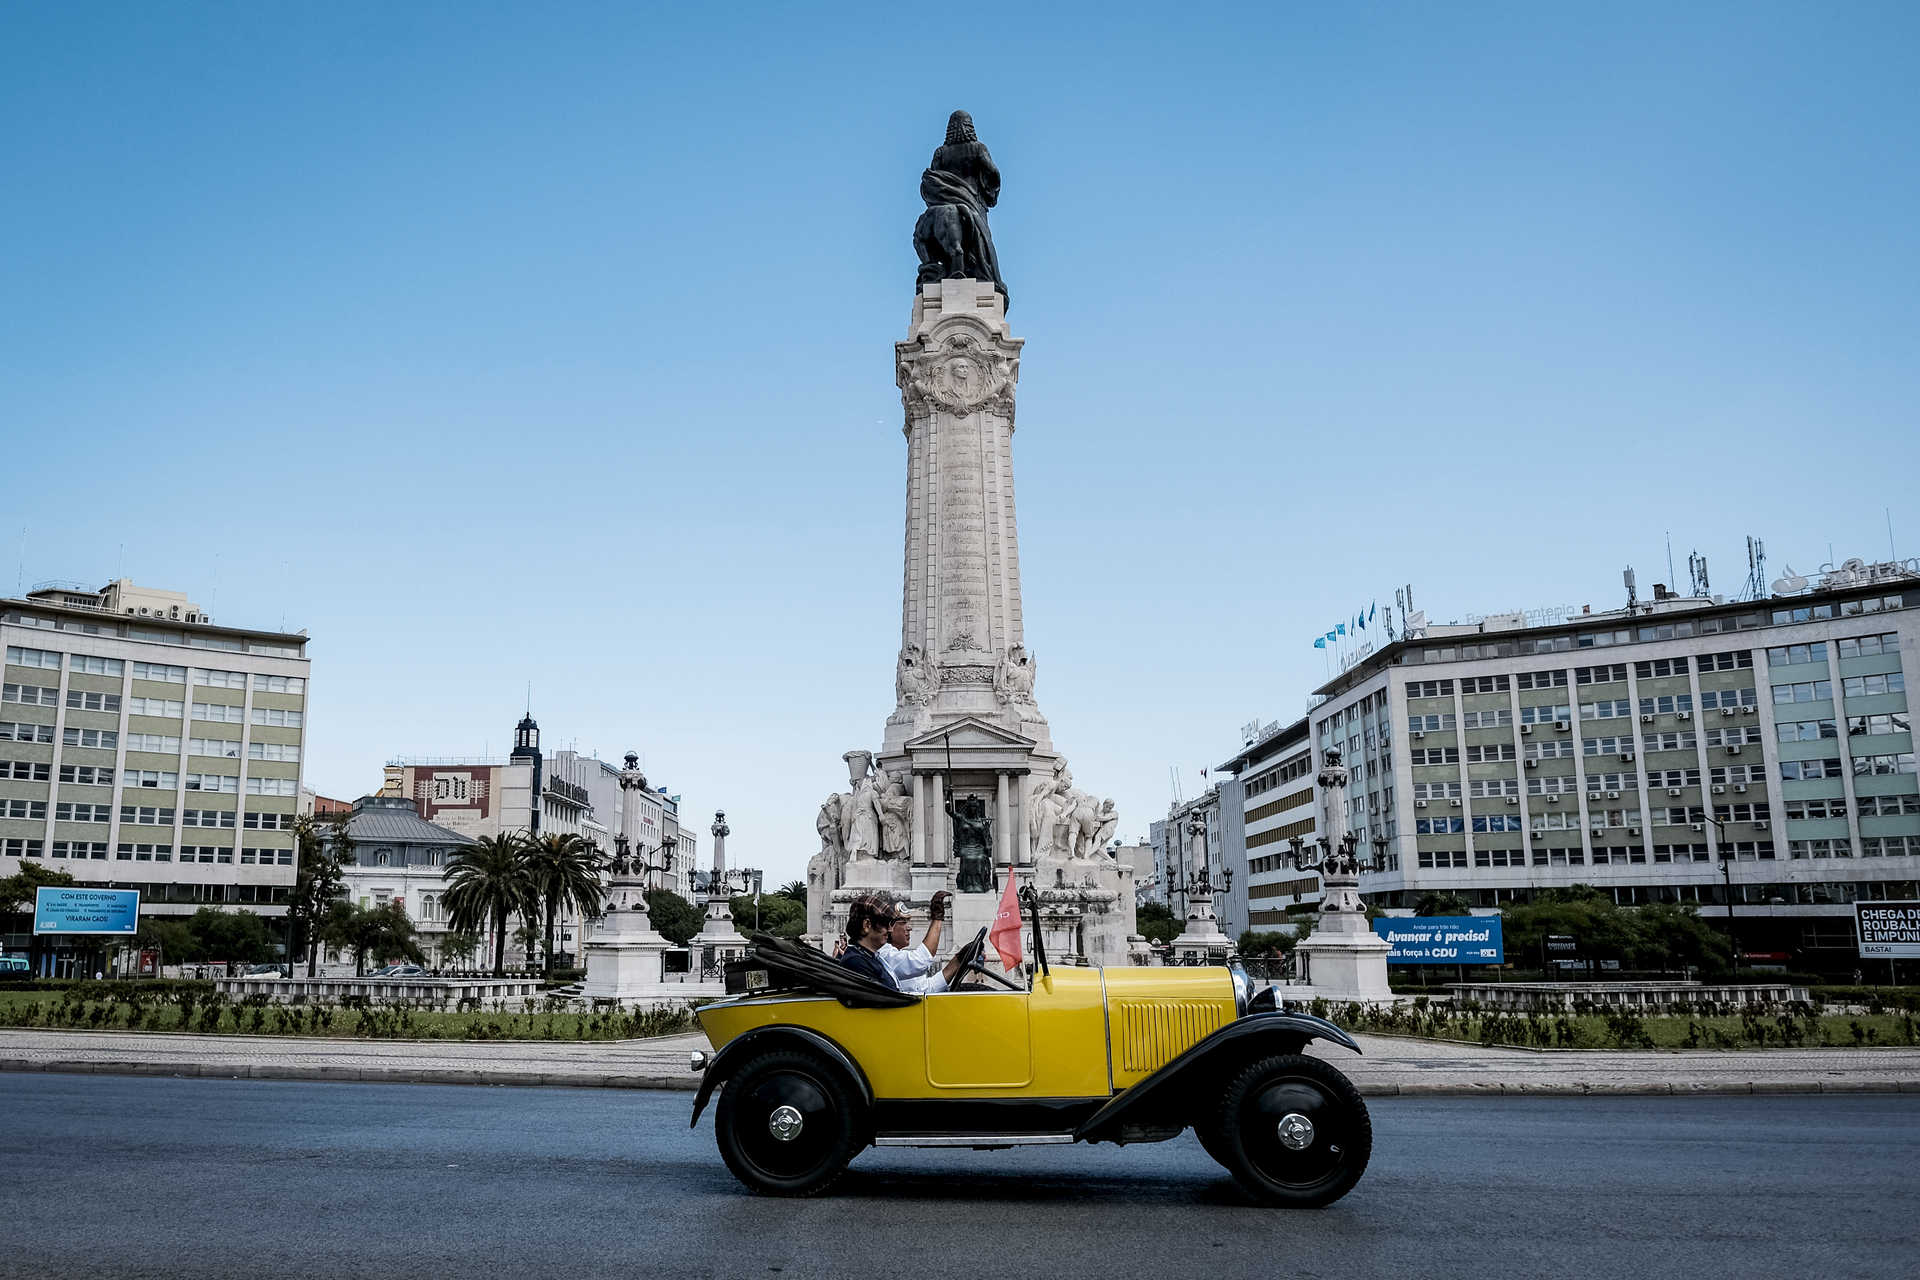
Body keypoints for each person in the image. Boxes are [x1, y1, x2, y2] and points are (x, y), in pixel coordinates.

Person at [878, 892, 951, 994]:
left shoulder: (893, 955)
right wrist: (937, 918)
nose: (909, 928)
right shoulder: (884, 954)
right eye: (903, 923)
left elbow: (925, 989)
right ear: (889, 927)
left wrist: (957, 961)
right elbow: (920, 961)